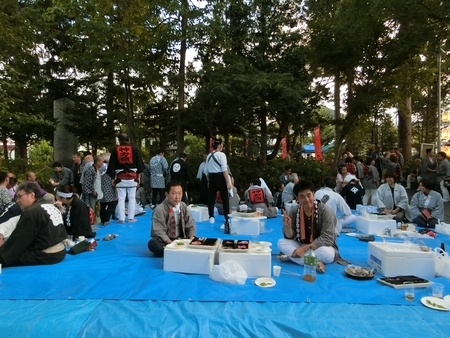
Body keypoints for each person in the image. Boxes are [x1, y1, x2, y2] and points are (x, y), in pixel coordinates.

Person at [277, 180, 343, 272]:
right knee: (281, 242)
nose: (307, 199)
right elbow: (289, 236)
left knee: (325, 253)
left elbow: (327, 238)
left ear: (313, 194)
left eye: (309, 195)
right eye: (302, 197)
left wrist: (304, 249)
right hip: (302, 243)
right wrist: (288, 226)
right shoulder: (295, 211)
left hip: (322, 247)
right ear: (297, 199)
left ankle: (294, 258)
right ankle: (315, 263)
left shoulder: (326, 211)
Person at [0, 182, 67, 267]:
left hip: (48, 255)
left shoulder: (32, 211)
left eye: (20, 196)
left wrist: (2, 253)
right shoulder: (49, 206)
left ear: (32, 195)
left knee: (7, 255)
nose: (17, 201)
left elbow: (18, 241)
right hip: (61, 251)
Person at [147, 181, 196, 257]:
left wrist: (191, 239)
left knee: (198, 240)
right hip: (165, 241)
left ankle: (173, 252)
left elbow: (190, 223)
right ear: (166, 194)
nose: (177, 197)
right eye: (174, 193)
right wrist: (171, 243)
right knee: (153, 244)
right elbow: (158, 230)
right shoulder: (160, 209)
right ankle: (176, 251)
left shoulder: (183, 206)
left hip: (182, 239)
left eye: (180, 193)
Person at [106, 133, 144, 223]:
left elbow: (112, 165)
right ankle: (131, 217)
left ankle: (121, 218)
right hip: (132, 177)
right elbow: (140, 165)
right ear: (128, 140)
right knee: (132, 197)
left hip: (120, 178)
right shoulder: (134, 149)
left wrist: (112, 178)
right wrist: (138, 177)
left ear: (119, 140)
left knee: (121, 198)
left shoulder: (115, 150)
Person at [205, 138, 232, 227]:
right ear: (219, 145)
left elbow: (206, 171)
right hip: (220, 177)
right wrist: (228, 182)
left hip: (211, 177)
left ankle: (211, 217)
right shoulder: (222, 155)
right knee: (224, 198)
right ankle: (226, 217)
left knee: (211, 198)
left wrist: (209, 180)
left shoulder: (209, 156)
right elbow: (224, 169)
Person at [99, 157, 118, 226]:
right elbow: (115, 177)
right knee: (112, 205)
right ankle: (106, 219)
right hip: (110, 188)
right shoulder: (112, 167)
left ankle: (102, 220)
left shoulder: (100, 167)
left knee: (103, 206)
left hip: (101, 188)